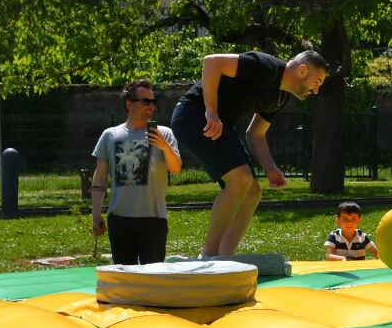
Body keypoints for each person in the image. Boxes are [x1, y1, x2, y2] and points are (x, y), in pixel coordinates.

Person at [171, 49, 328, 257]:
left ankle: (225, 257)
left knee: (253, 191)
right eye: (316, 82)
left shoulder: (280, 97)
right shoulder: (266, 67)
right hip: (193, 115)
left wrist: (270, 168)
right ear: (302, 70)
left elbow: (255, 133)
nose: (315, 90)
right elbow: (212, 62)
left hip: (221, 124)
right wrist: (211, 111)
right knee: (240, 180)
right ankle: (208, 256)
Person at [91, 80, 182, 265]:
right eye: (146, 101)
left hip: (153, 219)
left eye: (153, 101)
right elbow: (100, 176)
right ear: (129, 104)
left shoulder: (164, 133)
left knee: (154, 278)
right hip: (119, 219)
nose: (151, 106)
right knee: (125, 279)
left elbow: (176, 168)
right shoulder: (110, 135)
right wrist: (96, 213)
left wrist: (164, 146)